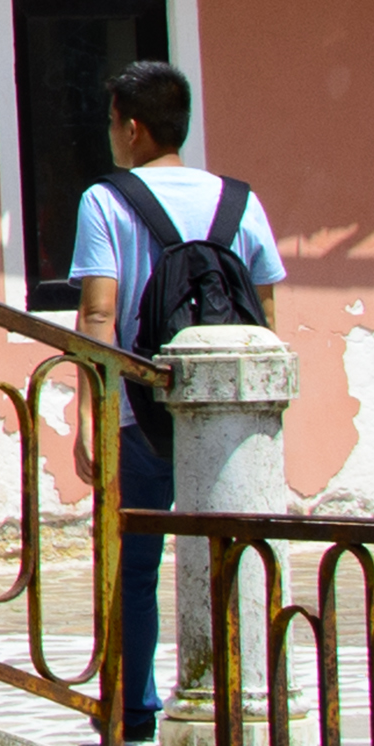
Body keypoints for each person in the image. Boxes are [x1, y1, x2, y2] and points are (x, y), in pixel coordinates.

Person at [70, 59, 282, 707]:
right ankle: (239, 696)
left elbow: (98, 314)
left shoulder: (105, 201)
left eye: (111, 123)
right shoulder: (241, 203)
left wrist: (88, 416)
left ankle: (133, 707)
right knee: (229, 556)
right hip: (223, 420)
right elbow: (267, 317)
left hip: (140, 414)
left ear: (132, 129)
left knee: (134, 566)